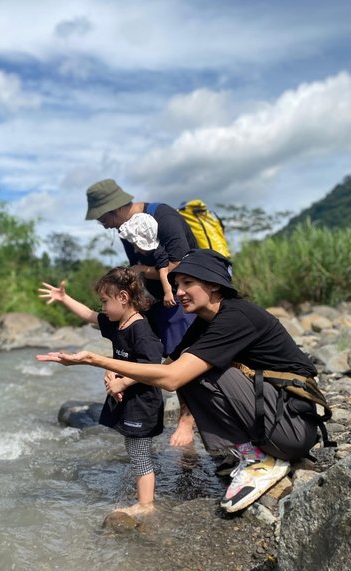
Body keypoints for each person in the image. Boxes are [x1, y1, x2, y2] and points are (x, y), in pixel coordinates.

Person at [37, 249, 324, 513]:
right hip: (275, 420)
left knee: (196, 370)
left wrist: (94, 360)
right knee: (188, 364)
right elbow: (167, 364)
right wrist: (122, 375)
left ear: (213, 284)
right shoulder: (205, 322)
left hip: (292, 429)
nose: (179, 292)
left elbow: (172, 378)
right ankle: (247, 451)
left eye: (187, 283)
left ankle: (261, 460)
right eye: (177, 285)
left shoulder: (237, 317)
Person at [38, 267, 164, 517]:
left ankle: (146, 505)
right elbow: (88, 315)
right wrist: (64, 298)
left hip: (142, 401)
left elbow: (151, 366)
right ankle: (143, 494)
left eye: (105, 301)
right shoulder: (118, 322)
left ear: (123, 298)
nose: (103, 308)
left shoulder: (140, 328)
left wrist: (122, 382)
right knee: (134, 448)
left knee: (139, 454)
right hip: (129, 400)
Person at [85, 178, 196, 356]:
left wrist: (142, 272)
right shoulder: (126, 231)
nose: (105, 226)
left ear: (115, 209)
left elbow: (178, 265)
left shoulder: (164, 217)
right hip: (157, 302)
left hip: (180, 301)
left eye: (103, 219)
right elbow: (135, 266)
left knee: (181, 356)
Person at [118, 212, 176, 309]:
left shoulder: (159, 253)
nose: (135, 250)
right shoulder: (141, 253)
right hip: (153, 294)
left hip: (166, 296)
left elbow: (163, 273)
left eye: (136, 245)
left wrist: (168, 293)